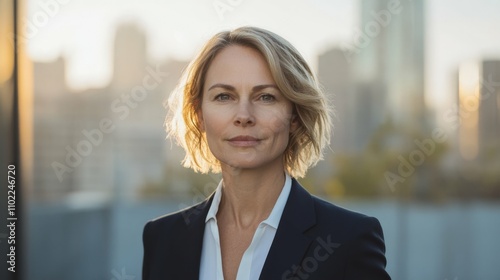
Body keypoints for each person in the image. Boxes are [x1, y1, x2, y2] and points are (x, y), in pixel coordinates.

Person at [142, 26, 391, 280]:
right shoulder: (162, 239)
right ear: (199, 115)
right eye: (224, 96)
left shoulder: (348, 240)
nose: (243, 116)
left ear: (294, 115)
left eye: (266, 97)